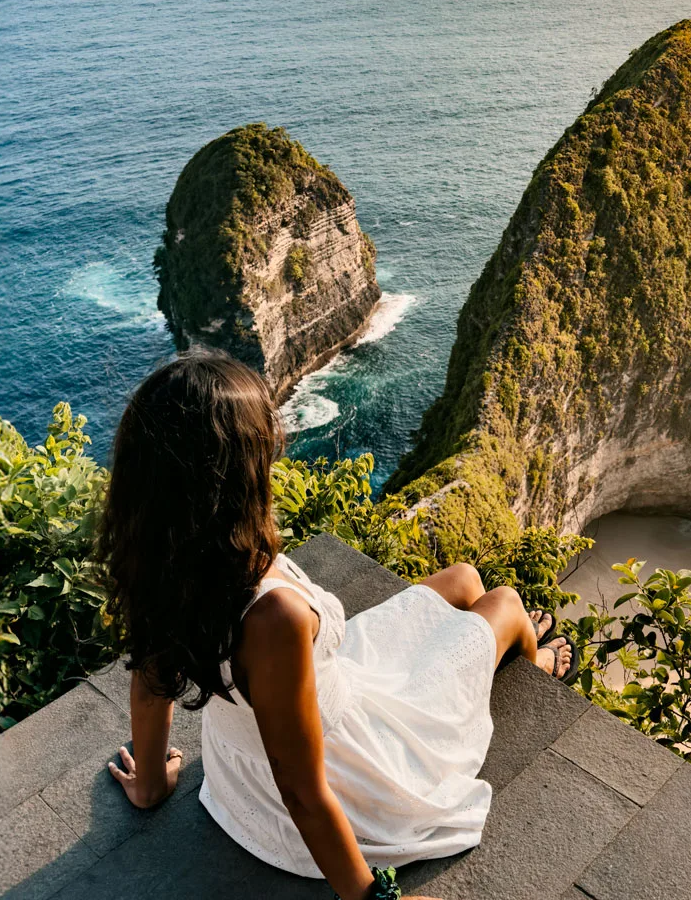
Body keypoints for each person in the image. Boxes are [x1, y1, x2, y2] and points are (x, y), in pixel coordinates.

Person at [98, 354, 576, 900]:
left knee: (465, 580)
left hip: (249, 768)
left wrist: (152, 787)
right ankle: (530, 665)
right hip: (339, 770)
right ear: (237, 476)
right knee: (507, 603)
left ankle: (491, 654)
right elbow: (302, 792)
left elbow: (150, 677)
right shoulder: (271, 615)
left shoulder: (165, 559)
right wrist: (373, 898)